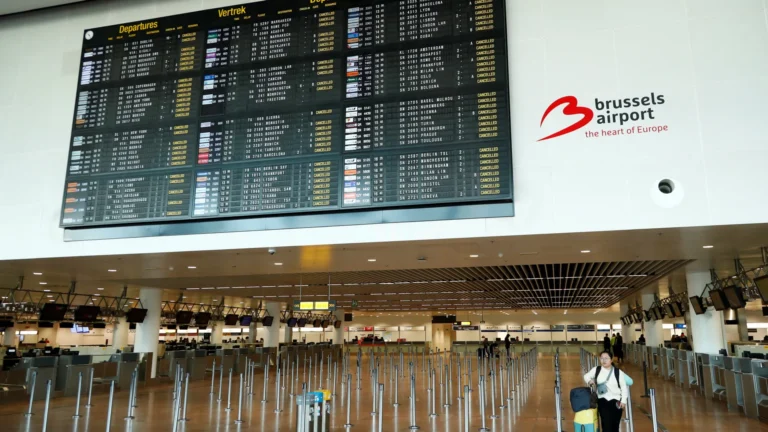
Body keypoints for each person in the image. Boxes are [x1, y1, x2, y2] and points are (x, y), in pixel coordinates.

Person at [584, 350, 628, 432]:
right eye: (602, 358)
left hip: (616, 401)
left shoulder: (618, 372)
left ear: (611, 360)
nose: (604, 360)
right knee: (606, 425)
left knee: (615, 426)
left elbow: (623, 388)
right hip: (602, 400)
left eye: (606, 358)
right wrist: (590, 381)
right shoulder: (597, 370)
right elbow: (586, 376)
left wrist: (623, 401)